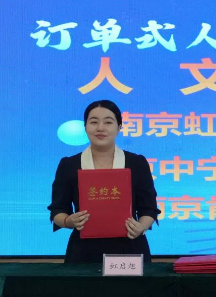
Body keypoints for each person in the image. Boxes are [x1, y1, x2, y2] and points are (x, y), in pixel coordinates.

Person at [48, 100, 160, 263]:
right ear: (85, 127)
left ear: (119, 127)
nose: (100, 128)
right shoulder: (69, 165)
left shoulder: (137, 163)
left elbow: (149, 209)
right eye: (94, 122)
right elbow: (57, 209)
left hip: (130, 248)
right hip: (83, 251)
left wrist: (141, 227)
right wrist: (68, 221)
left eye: (108, 122)